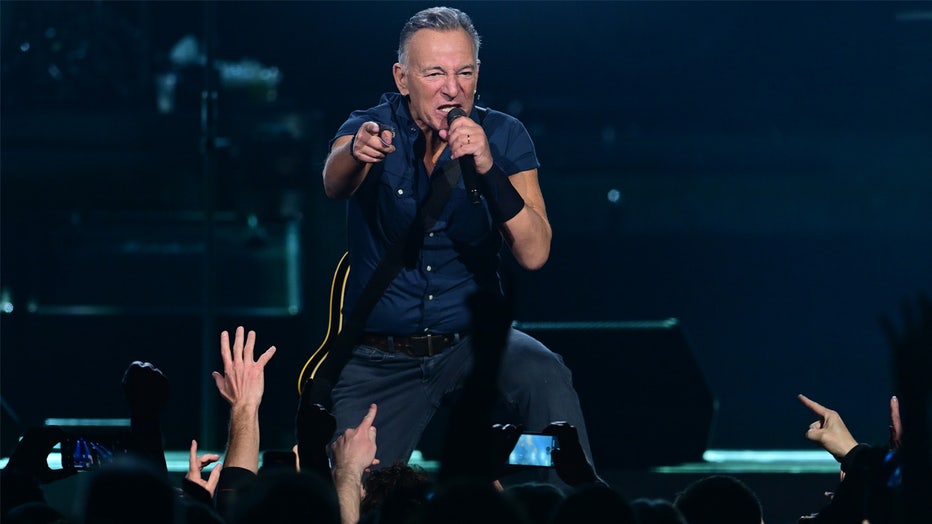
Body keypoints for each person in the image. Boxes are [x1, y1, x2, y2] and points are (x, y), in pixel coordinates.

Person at [320, 4, 595, 479]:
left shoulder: (503, 136)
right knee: (352, 490)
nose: (453, 88)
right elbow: (334, 179)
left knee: (544, 378)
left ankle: (554, 490)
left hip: (472, 346)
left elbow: (535, 252)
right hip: (381, 358)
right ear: (402, 78)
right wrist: (355, 152)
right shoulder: (373, 126)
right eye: (435, 73)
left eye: (464, 72)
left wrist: (489, 168)